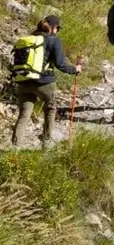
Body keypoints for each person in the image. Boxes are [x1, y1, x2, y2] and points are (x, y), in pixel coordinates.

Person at [9, 14, 84, 149]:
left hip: (23, 81)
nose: (58, 31)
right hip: (45, 84)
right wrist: (75, 69)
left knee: (24, 114)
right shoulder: (54, 41)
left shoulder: (29, 39)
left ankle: (15, 147)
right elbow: (61, 64)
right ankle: (46, 143)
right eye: (58, 28)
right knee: (50, 110)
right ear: (54, 28)